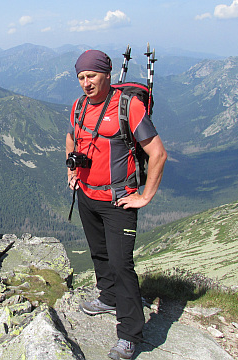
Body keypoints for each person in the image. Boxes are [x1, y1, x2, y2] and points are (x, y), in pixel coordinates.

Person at [66, 50, 167, 360]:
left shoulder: (129, 107)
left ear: (106, 75)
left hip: (118, 201)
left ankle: (130, 333)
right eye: (81, 77)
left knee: (122, 266)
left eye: (91, 76)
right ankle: (108, 297)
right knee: (99, 254)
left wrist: (145, 196)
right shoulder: (79, 105)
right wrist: (71, 170)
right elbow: (72, 137)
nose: (86, 82)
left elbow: (158, 153)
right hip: (87, 196)